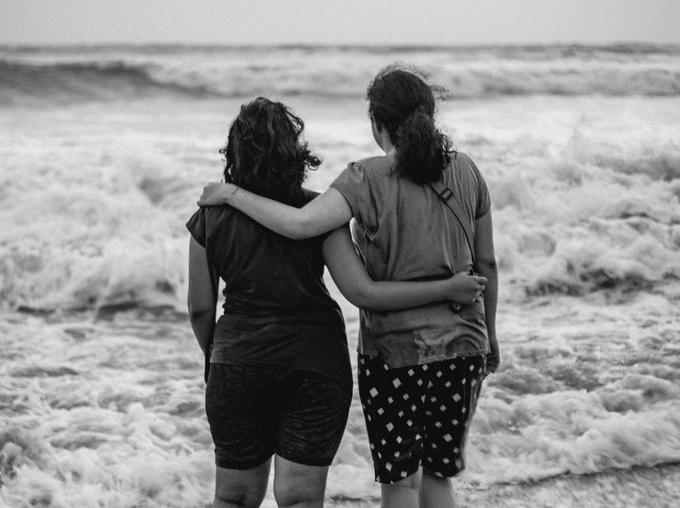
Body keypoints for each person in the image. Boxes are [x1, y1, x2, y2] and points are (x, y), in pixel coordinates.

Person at [198, 67, 499, 508]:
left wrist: (231, 195)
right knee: (437, 476)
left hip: (397, 355)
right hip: (465, 350)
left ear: (377, 123)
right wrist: (489, 334)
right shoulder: (468, 170)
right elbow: (487, 262)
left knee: (402, 482)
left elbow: (302, 227)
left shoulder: (364, 178)